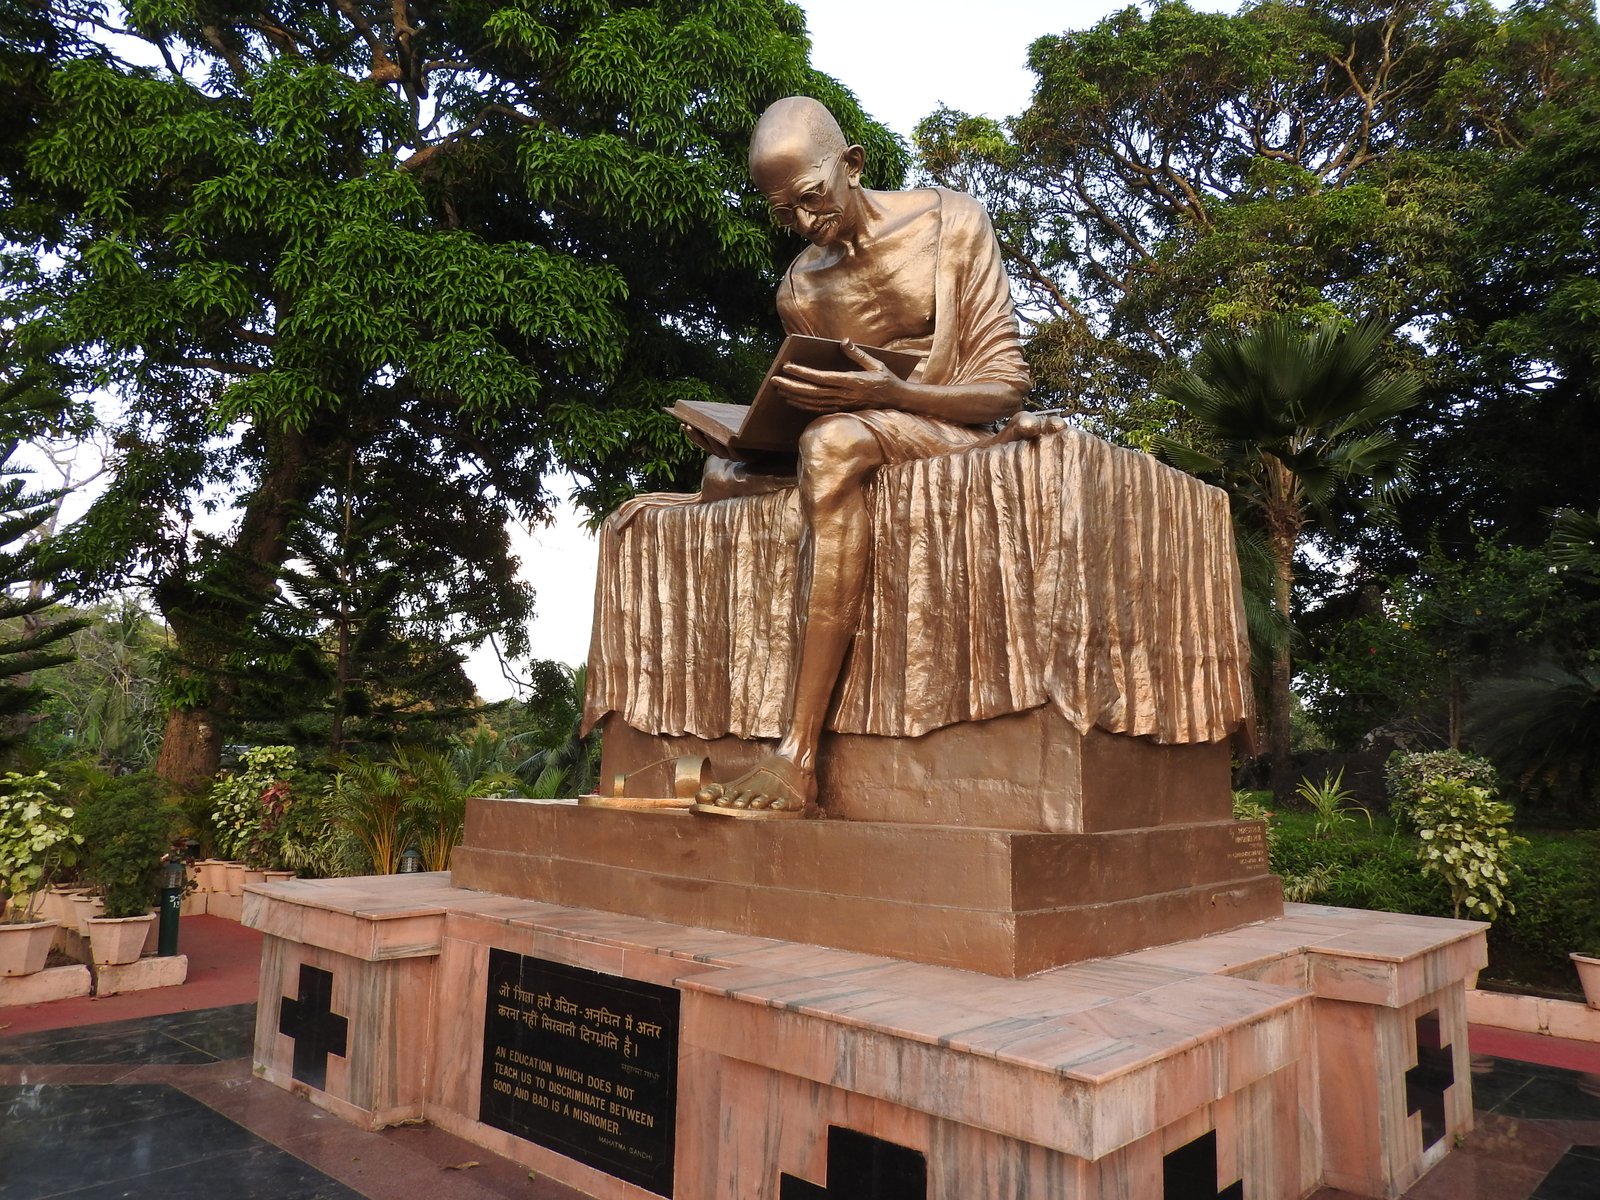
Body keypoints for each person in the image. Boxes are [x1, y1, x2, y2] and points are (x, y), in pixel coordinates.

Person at [692, 95, 1042, 816]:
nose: (804, 222)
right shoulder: (800, 287)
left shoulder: (951, 223)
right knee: (721, 474)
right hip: (858, 435)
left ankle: (797, 756)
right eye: (784, 212)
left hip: (949, 430)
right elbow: (816, 398)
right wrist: (750, 435)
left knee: (831, 443)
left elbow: (1004, 387)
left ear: (850, 164)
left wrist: (896, 393)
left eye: (811, 196)